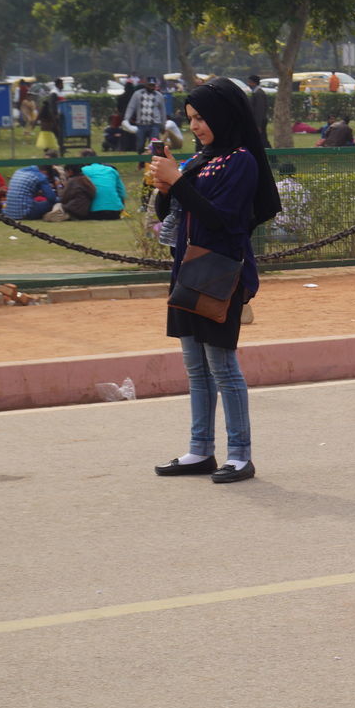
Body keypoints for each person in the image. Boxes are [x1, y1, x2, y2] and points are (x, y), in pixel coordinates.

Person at [148, 77, 281, 484]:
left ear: (224, 114)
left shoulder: (241, 160)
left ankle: (240, 454)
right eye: (190, 119)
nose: (196, 126)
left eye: (202, 117)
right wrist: (165, 184)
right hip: (188, 269)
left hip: (221, 272)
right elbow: (171, 211)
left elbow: (223, 219)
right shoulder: (204, 157)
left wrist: (179, 181)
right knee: (195, 365)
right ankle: (199, 450)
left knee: (221, 365)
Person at [79, 149, 127, 220]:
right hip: (115, 212)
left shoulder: (83, 171)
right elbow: (122, 192)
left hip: (93, 212)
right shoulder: (111, 170)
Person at [125, 77, 166, 154]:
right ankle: (141, 162)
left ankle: (153, 161)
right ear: (145, 85)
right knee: (140, 145)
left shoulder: (159, 96)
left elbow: (162, 111)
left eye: (153, 85)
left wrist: (163, 125)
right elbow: (131, 107)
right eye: (150, 85)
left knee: (154, 144)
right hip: (141, 124)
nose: (151, 87)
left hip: (155, 124)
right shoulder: (137, 94)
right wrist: (126, 119)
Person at [247, 75, 270, 147]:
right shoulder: (256, 92)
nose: (248, 84)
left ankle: (272, 157)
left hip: (260, 121)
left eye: (249, 82)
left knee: (263, 140)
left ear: (254, 83)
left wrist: (258, 125)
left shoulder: (259, 93)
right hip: (258, 121)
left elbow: (260, 110)